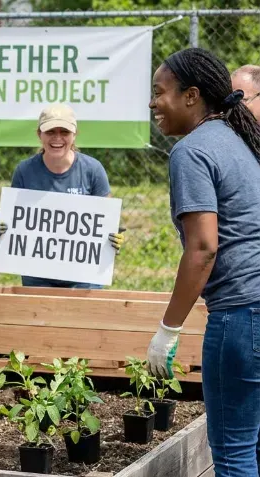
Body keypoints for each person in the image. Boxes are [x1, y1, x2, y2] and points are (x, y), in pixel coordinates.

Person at [144, 47, 260, 477]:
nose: (153, 103)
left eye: (160, 93)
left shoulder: (191, 152)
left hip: (241, 315)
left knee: (231, 455)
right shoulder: (240, 141)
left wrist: (167, 330)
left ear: (191, 96)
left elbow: (203, 248)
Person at [1, 103, 125, 289]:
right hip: (37, 272)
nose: (57, 138)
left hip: (85, 273)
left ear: (74, 135)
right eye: (50, 131)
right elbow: (15, 220)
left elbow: (106, 221)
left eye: (64, 132)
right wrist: (4, 229)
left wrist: (112, 237)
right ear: (39, 134)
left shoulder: (93, 170)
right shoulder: (24, 171)